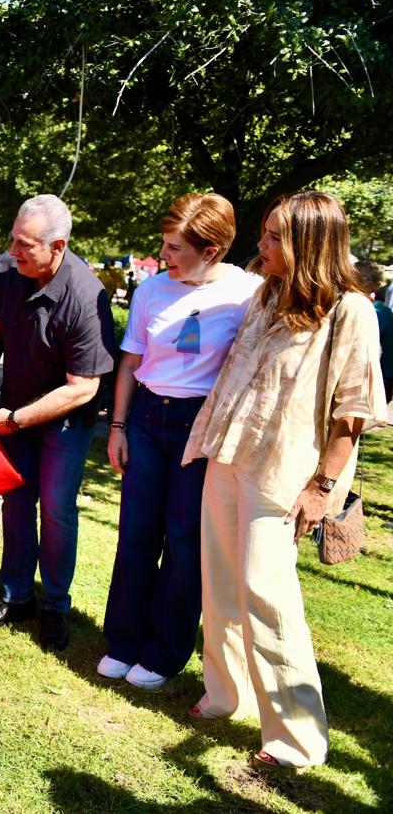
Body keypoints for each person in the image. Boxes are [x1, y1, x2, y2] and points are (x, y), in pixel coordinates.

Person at [182, 190, 386, 769]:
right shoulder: (268, 293)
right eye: (265, 233)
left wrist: (321, 488)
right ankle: (227, 696)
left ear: (310, 245)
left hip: (287, 472)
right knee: (219, 585)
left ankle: (296, 739)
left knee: (266, 595)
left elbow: (353, 411)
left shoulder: (351, 310)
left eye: (275, 237)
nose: (262, 245)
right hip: (230, 452)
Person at [99, 194, 260, 691]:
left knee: (186, 541)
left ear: (211, 250)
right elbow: (130, 362)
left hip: (201, 424)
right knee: (137, 534)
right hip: (147, 418)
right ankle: (123, 642)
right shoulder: (151, 291)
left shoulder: (248, 293)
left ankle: (165, 652)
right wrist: (118, 427)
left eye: (175, 247)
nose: (163, 255)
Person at [0, 194, 115, 651]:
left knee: (55, 509)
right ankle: (15, 596)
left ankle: (54, 606)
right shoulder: (7, 273)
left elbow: (83, 387)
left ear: (58, 246)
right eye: (13, 239)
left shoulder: (86, 295)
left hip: (64, 418)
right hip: (14, 411)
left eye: (25, 244)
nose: (14, 251)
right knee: (16, 501)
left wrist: (19, 418)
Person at [354, 261, 393, 400]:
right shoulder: (335, 304)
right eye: (352, 275)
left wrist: (387, 380)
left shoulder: (382, 313)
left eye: (363, 278)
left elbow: (389, 351)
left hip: (363, 377)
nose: (355, 280)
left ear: (376, 283)